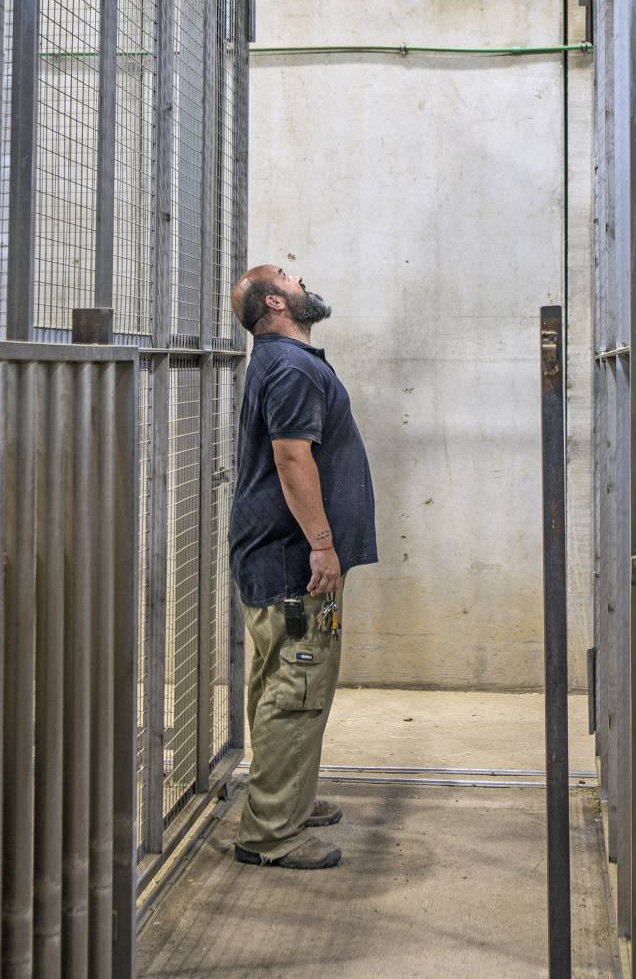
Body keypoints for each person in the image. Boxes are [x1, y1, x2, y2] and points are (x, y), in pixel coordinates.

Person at [228, 264, 378, 869]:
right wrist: (321, 542)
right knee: (298, 685)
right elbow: (292, 460)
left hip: (277, 557)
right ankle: (272, 835)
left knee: (280, 682)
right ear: (275, 301)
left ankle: (286, 798)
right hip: (294, 562)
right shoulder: (289, 367)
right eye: (290, 277)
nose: (303, 280)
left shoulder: (283, 360)